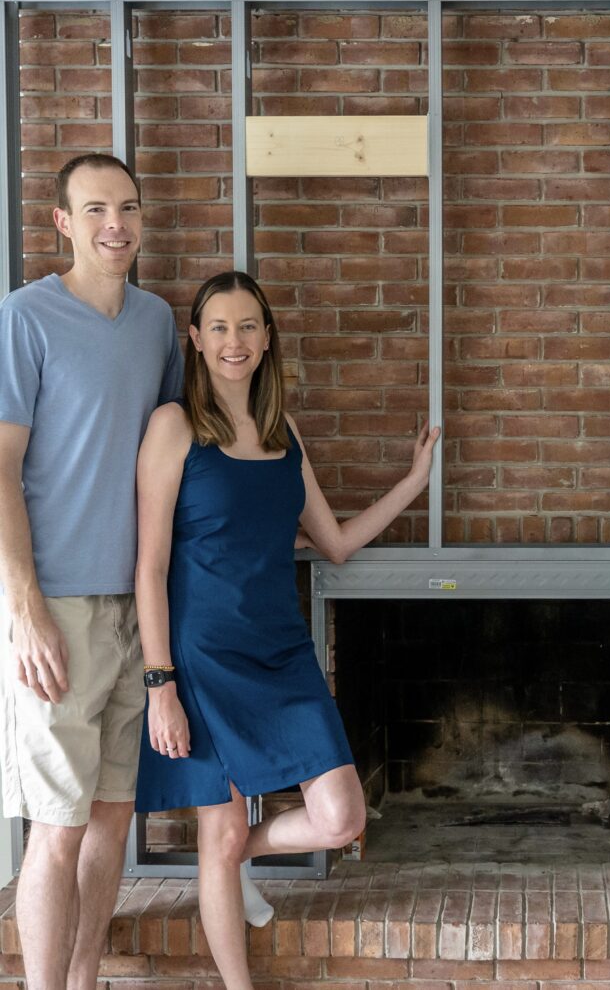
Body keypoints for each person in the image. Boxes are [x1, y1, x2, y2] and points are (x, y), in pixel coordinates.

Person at [0, 154, 266, 990]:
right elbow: (1, 469)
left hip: (138, 610)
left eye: (128, 207)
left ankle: (82, 982)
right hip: (60, 609)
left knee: (111, 821)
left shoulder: (156, 323)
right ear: (63, 223)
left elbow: (175, 456)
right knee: (56, 827)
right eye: (96, 208)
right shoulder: (25, 316)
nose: (115, 223)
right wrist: (25, 605)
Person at [134, 269, 440, 989]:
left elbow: (331, 543)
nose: (233, 341)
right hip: (202, 654)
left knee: (340, 817)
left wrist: (411, 484)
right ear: (197, 340)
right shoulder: (173, 426)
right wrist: (160, 685)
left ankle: (234, 860)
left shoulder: (284, 431)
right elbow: (148, 567)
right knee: (221, 823)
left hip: (282, 649)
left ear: (267, 339)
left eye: (247, 327)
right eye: (218, 327)